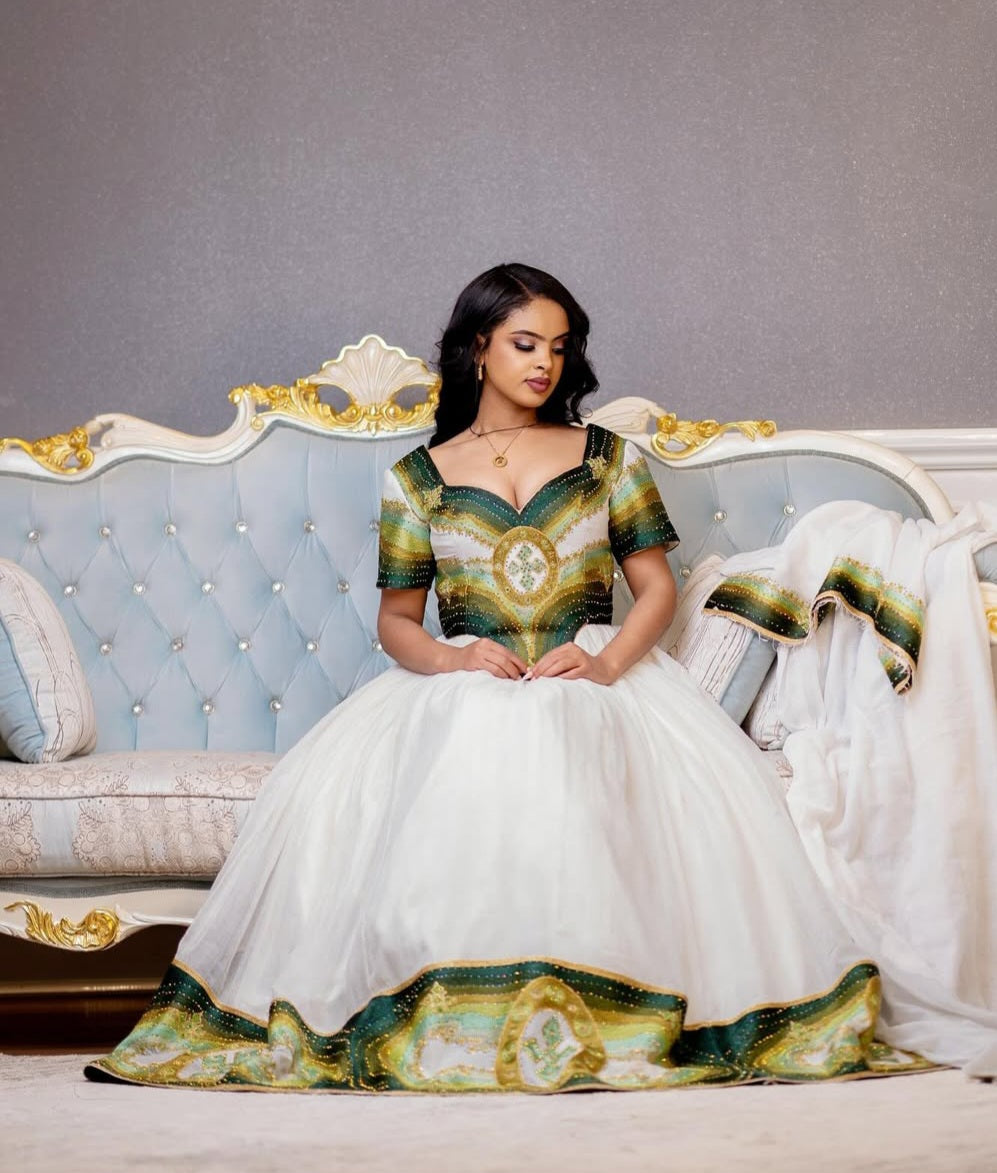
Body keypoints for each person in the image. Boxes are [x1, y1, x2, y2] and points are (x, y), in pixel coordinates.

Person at [84, 263, 928, 1091]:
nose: (544, 364)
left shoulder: (606, 458)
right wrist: (455, 657)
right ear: (477, 348)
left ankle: (600, 1006)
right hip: (468, 676)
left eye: (560, 349)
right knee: (467, 757)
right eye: (525, 343)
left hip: (589, 674)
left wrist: (601, 664)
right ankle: (448, 1010)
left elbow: (657, 589)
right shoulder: (417, 476)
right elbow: (396, 622)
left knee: (567, 742)